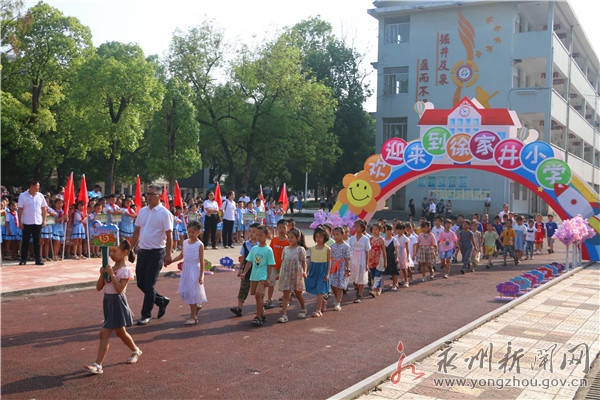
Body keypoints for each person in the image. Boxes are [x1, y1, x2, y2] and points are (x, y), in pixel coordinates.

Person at [84, 241, 142, 375]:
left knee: (104, 333)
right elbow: (99, 288)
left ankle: (98, 365)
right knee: (121, 333)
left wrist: (111, 274)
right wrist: (102, 274)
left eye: (115, 251)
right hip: (108, 302)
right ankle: (135, 350)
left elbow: (120, 289)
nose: (111, 254)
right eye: (110, 251)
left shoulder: (125, 271)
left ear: (125, 253)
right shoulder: (111, 268)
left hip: (117, 302)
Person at [131, 184, 173, 325]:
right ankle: (161, 301)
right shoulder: (142, 211)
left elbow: (169, 235)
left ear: (159, 196)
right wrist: (131, 248)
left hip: (157, 253)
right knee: (140, 283)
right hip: (142, 251)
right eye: (147, 194)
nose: (148, 197)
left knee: (149, 285)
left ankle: (146, 314)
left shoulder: (165, 213)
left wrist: (168, 254)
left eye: (151, 194)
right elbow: (137, 230)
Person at [170, 221, 207, 325]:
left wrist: (201, 276)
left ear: (199, 232)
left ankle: (193, 317)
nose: (190, 234)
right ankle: (196, 308)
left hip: (194, 270)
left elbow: (201, 260)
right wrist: (171, 261)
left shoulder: (200, 245)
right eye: (189, 231)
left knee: (192, 293)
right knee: (187, 291)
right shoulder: (185, 242)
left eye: (193, 232)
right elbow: (181, 255)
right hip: (186, 269)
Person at [242, 224, 275, 327]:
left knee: (258, 295)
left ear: (266, 236)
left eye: (261, 235)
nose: (259, 237)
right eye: (257, 235)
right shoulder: (254, 249)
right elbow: (249, 262)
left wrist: (268, 278)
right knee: (258, 297)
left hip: (262, 276)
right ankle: (261, 314)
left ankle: (259, 316)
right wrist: (244, 272)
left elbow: (270, 265)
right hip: (254, 276)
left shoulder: (268, 250)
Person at [277, 227, 308, 322]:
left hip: (296, 275)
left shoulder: (300, 249)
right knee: (286, 294)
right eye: (288, 237)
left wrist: (304, 272)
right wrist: (279, 273)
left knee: (298, 293)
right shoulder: (285, 249)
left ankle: (303, 308)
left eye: (292, 237)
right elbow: (283, 262)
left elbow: (304, 262)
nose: (289, 239)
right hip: (286, 275)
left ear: (298, 238)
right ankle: (284, 314)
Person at [230, 223, 259, 317]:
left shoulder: (261, 245)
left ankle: (260, 308)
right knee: (243, 288)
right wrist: (240, 269)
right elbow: (242, 257)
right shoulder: (245, 244)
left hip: (257, 271)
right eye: (249, 231)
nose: (251, 234)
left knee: (258, 291)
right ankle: (239, 307)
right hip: (246, 271)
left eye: (254, 232)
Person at [18, 180, 48, 265]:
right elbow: (20, 209)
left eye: (38, 186)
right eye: (36, 186)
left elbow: (44, 209)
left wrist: (44, 220)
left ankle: (38, 260)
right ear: (31, 186)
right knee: (25, 242)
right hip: (26, 222)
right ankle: (23, 259)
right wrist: (20, 222)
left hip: (37, 221)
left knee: (37, 242)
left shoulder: (40, 196)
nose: (38, 188)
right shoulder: (23, 195)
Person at [305, 226, 331, 317]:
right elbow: (309, 261)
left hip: (322, 271)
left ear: (325, 237)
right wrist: (306, 271)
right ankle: (323, 303)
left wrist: (327, 274)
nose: (318, 239)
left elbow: (329, 262)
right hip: (314, 270)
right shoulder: (312, 249)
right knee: (317, 290)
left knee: (320, 291)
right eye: (316, 236)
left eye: (320, 236)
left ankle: (318, 310)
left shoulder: (327, 249)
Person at [265, 220, 289, 309]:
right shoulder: (274, 240)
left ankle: (285, 299)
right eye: (280, 228)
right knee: (271, 283)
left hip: (284, 267)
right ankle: (269, 299)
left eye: (284, 227)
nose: (282, 229)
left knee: (284, 284)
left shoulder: (289, 241)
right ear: (277, 229)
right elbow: (269, 252)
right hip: (274, 266)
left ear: (287, 229)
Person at [329, 227, 351, 310]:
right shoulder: (331, 246)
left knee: (340, 286)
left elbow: (347, 259)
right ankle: (336, 297)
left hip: (342, 267)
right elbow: (329, 257)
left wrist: (347, 269)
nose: (335, 236)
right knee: (332, 284)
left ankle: (338, 302)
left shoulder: (346, 246)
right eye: (334, 235)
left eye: (337, 234)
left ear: (342, 234)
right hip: (333, 267)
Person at [349, 219, 370, 303]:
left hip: (362, 259)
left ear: (362, 228)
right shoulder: (352, 238)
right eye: (355, 226)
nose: (356, 228)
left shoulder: (365, 239)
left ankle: (359, 295)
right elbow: (349, 249)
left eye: (357, 226)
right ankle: (357, 288)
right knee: (354, 278)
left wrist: (367, 263)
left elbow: (367, 251)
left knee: (361, 277)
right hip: (353, 259)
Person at [368, 224, 387, 297]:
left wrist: (385, 262)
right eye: (373, 229)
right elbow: (368, 250)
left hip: (379, 259)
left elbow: (384, 252)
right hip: (371, 259)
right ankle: (378, 288)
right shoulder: (370, 239)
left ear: (380, 231)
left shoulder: (382, 239)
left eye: (376, 229)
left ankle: (374, 289)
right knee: (373, 275)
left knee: (377, 274)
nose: (374, 231)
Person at [383, 224, 400, 290]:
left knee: (394, 272)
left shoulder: (394, 240)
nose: (388, 232)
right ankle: (382, 286)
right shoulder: (383, 240)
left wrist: (397, 257)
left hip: (392, 257)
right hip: (385, 258)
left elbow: (396, 250)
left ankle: (395, 284)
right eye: (386, 230)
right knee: (383, 272)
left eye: (389, 230)